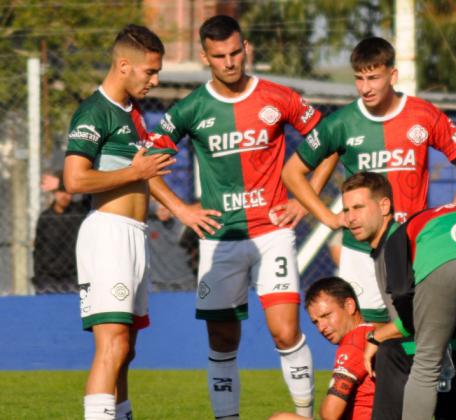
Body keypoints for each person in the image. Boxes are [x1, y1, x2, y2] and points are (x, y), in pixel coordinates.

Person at [149, 15, 338, 419]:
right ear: (205, 57)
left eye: (236, 52)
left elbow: (330, 141)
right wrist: (182, 208)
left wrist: (304, 201)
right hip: (220, 239)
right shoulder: (191, 107)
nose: (230, 62)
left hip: (273, 232)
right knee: (221, 339)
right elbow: (147, 162)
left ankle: (304, 415)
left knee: (285, 331)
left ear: (246, 47)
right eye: (220, 56)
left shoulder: (278, 96)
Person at [282, 36, 456, 324]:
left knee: (418, 333)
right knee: (364, 335)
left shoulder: (423, 115)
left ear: (393, 75)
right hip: (360, 251)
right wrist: (328, 218)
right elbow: (292, 172)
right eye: (359, 79)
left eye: (374, 78)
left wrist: (446, 221)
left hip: (413, 245)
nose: (365, 88)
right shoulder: (341, 123)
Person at [63, 24, 177, 420]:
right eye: (150, 71)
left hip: (135, 235)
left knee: (127, 348)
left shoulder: (134, 116)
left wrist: (183, 209)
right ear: (124, 65)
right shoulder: (94, 110)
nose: (155, 79)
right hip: (107, 234)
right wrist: (135, 172)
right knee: (110, 344)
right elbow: (75, 179)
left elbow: (144, 173)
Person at [340, 172, 456, 420]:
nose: (350, 218)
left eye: (358, 207)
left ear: (385, 206)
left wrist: (377, 336)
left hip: (445, 261)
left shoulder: (398, 236)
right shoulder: (439, 219)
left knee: (426, 363)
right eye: (346, 210)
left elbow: (407, 307)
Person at [270, 277, 375, 420]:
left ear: (350, 305)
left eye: (326, 315)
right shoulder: (374, 333)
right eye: (316, 322)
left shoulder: (353, 344)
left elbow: (330, 414)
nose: (322, 327)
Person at [32, 171, 88, 294]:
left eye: (67, 191)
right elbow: (38, 249)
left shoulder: (79, 212)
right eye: (61, 191)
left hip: (74, 276)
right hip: (47, 278)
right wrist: (38, 277)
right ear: (54, 192)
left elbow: (89, 194)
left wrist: (60, 183)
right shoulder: (45, 217)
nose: (64, 196)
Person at [146, 200, 195, 291]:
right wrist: (156, 208)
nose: (163, 210)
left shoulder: (184, 222)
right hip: (159, 284)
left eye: (165, 207)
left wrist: (171, 207)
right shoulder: (149, 221)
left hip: (185, 283)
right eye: (159, 206)